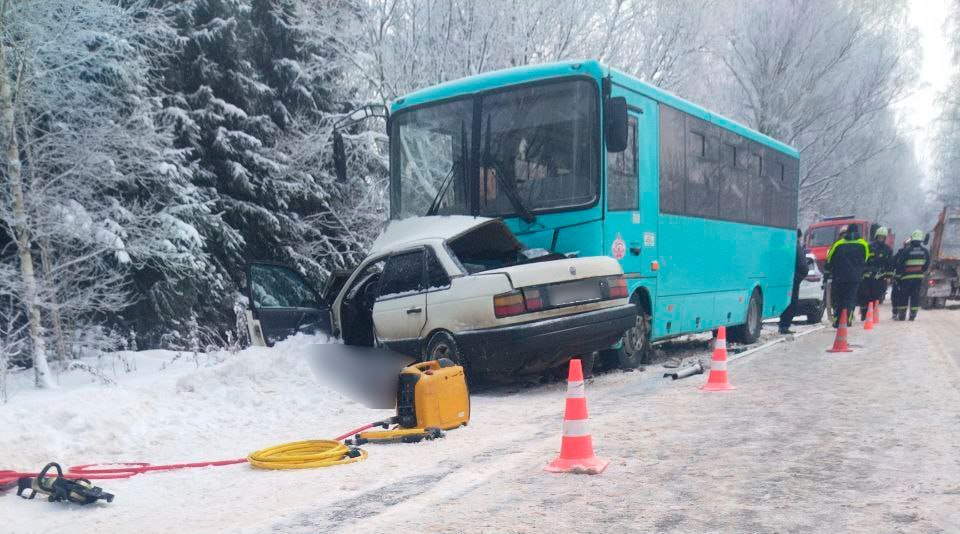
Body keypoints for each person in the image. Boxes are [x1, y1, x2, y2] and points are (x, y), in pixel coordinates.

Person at [824, 225, 869, 328]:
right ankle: (847, 320)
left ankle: (837, 320)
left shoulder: (838, 244)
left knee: (838, 299)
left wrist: (828, 273)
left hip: (839, 277)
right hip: (855, 278)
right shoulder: (863, 244)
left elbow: (829, 260)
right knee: (850, 298)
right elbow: (865, 259)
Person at [892, 230, 931, 321]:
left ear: (912, 240)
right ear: (920, 240)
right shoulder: (925, 251)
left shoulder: (906, 251)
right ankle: (912, 315)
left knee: (904, 296)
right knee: (915, 296)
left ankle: (902, 315)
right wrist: (921, 271)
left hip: (906, 278)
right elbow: (927, 264)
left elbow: (900, 264)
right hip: (918, 278)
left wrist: (898, 276)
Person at [857, 226, 894, 320]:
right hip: (867, 276)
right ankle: (864, 314)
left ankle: (870, 314)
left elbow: (889, 264)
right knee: (864, 295)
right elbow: (863, 260)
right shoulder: (868, 247)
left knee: (876, 296)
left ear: (885, 238)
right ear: (876, 236)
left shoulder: (887, 250)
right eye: (879, 237)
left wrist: (889, 276)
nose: (880, 239)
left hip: (879, 277)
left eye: (882, 237)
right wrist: (864, 271)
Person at [779, 229, 809, 334]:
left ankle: (782, 325)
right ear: (799, 237)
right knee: (791, 303)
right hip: (791, 282)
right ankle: (784, 326)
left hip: (779, 280)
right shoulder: (796, 248)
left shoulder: (781, 248)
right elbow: (804, 269)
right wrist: (795, 280)